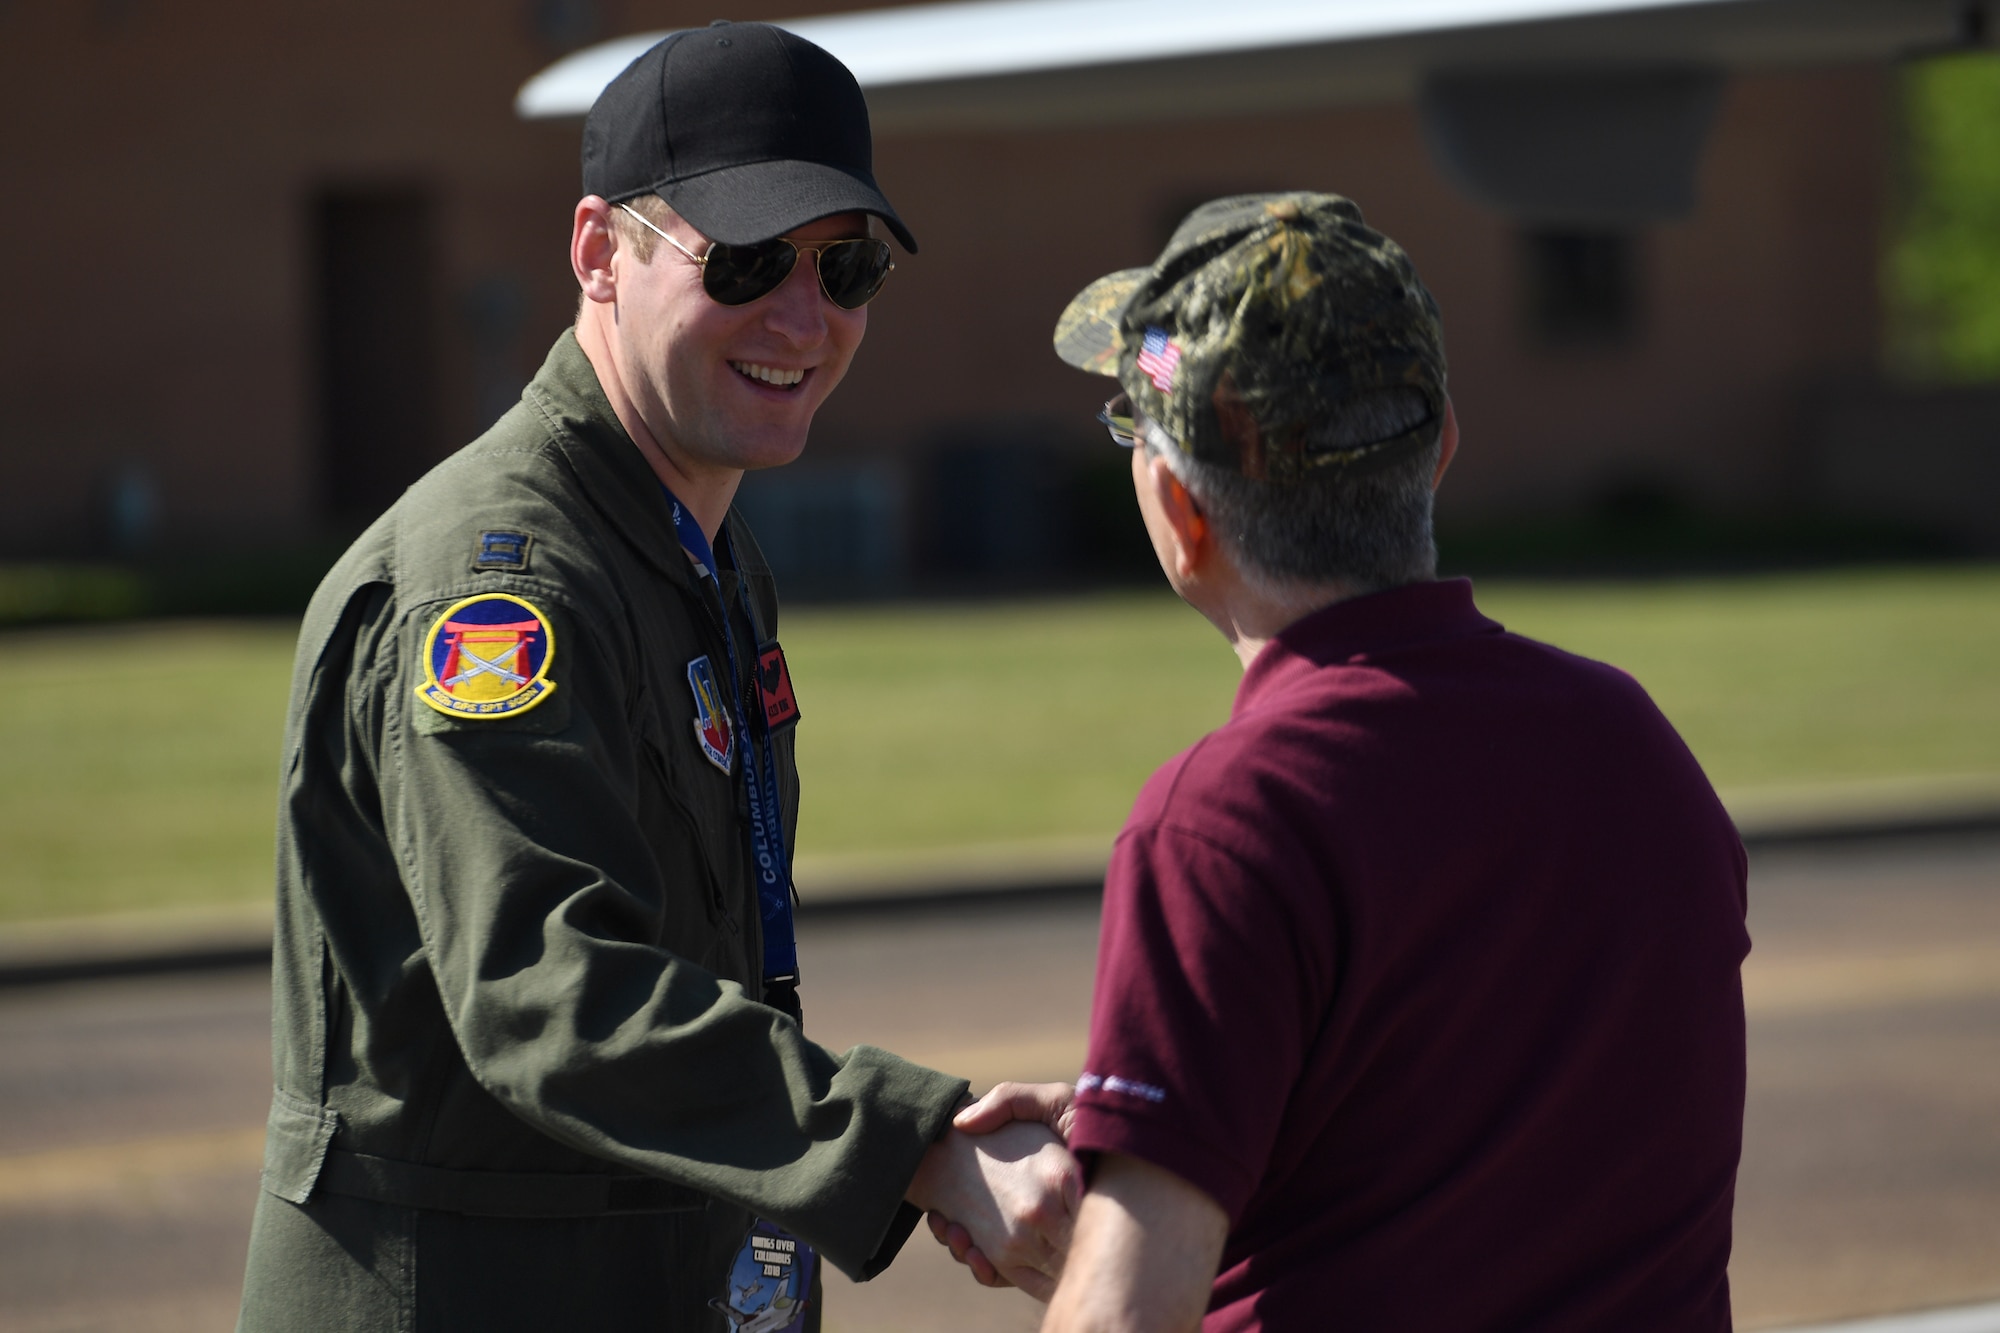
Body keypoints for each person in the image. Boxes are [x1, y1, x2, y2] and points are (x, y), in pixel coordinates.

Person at [235, 24, 1075, 1333]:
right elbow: (547, 991)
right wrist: (911, 1145)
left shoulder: (696, 547)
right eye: (743, 261)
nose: (804, 318)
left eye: (845, 266)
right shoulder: (499, 580)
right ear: (597, 255)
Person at [954, 192, 1750, 1330]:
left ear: (1180, 509)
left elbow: (1125, 1309)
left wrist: (1142, 1194)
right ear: (1438, 454)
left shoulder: (1227, 815)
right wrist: (1173, 1107)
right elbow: (1477, 1092)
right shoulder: (1630, 740)